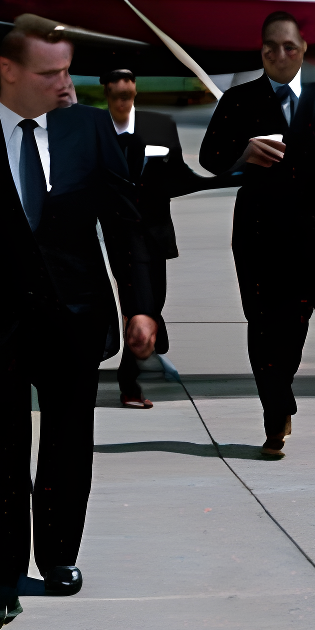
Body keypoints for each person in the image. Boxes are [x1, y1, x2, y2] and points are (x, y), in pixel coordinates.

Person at [0, 17, 157, 630]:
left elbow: (124, 222)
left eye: (66, 70)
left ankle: (58, 555)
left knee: (67, 440)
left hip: (77, 316)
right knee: (0, 441)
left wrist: (141, 305)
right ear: (9, 72)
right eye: (50, 72)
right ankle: (2, 572)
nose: (65, 82)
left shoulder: (89, 129)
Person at [199, 12, 315, 456]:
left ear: (303, 49)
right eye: (269, 48)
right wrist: (242, 152)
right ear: (260, 52)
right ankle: (274, 412)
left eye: (288, 47)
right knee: (263, 325)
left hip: (309, 227)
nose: (279, 55)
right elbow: (210, 156)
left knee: (296, 322)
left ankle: (279, 393)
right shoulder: (239, 100)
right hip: (257, 230)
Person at [100, 68, 226, 407]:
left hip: (155, 236)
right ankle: (130, 382)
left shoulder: (159, 125)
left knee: (152, 304)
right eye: (116, 81)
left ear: (135, 87)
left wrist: (236, 173)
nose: (123, 86)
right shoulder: (94, 130)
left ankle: (144, 354)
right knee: (139, 307)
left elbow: (179, 179)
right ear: (106, 88)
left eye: (129, 79)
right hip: (121, 238)